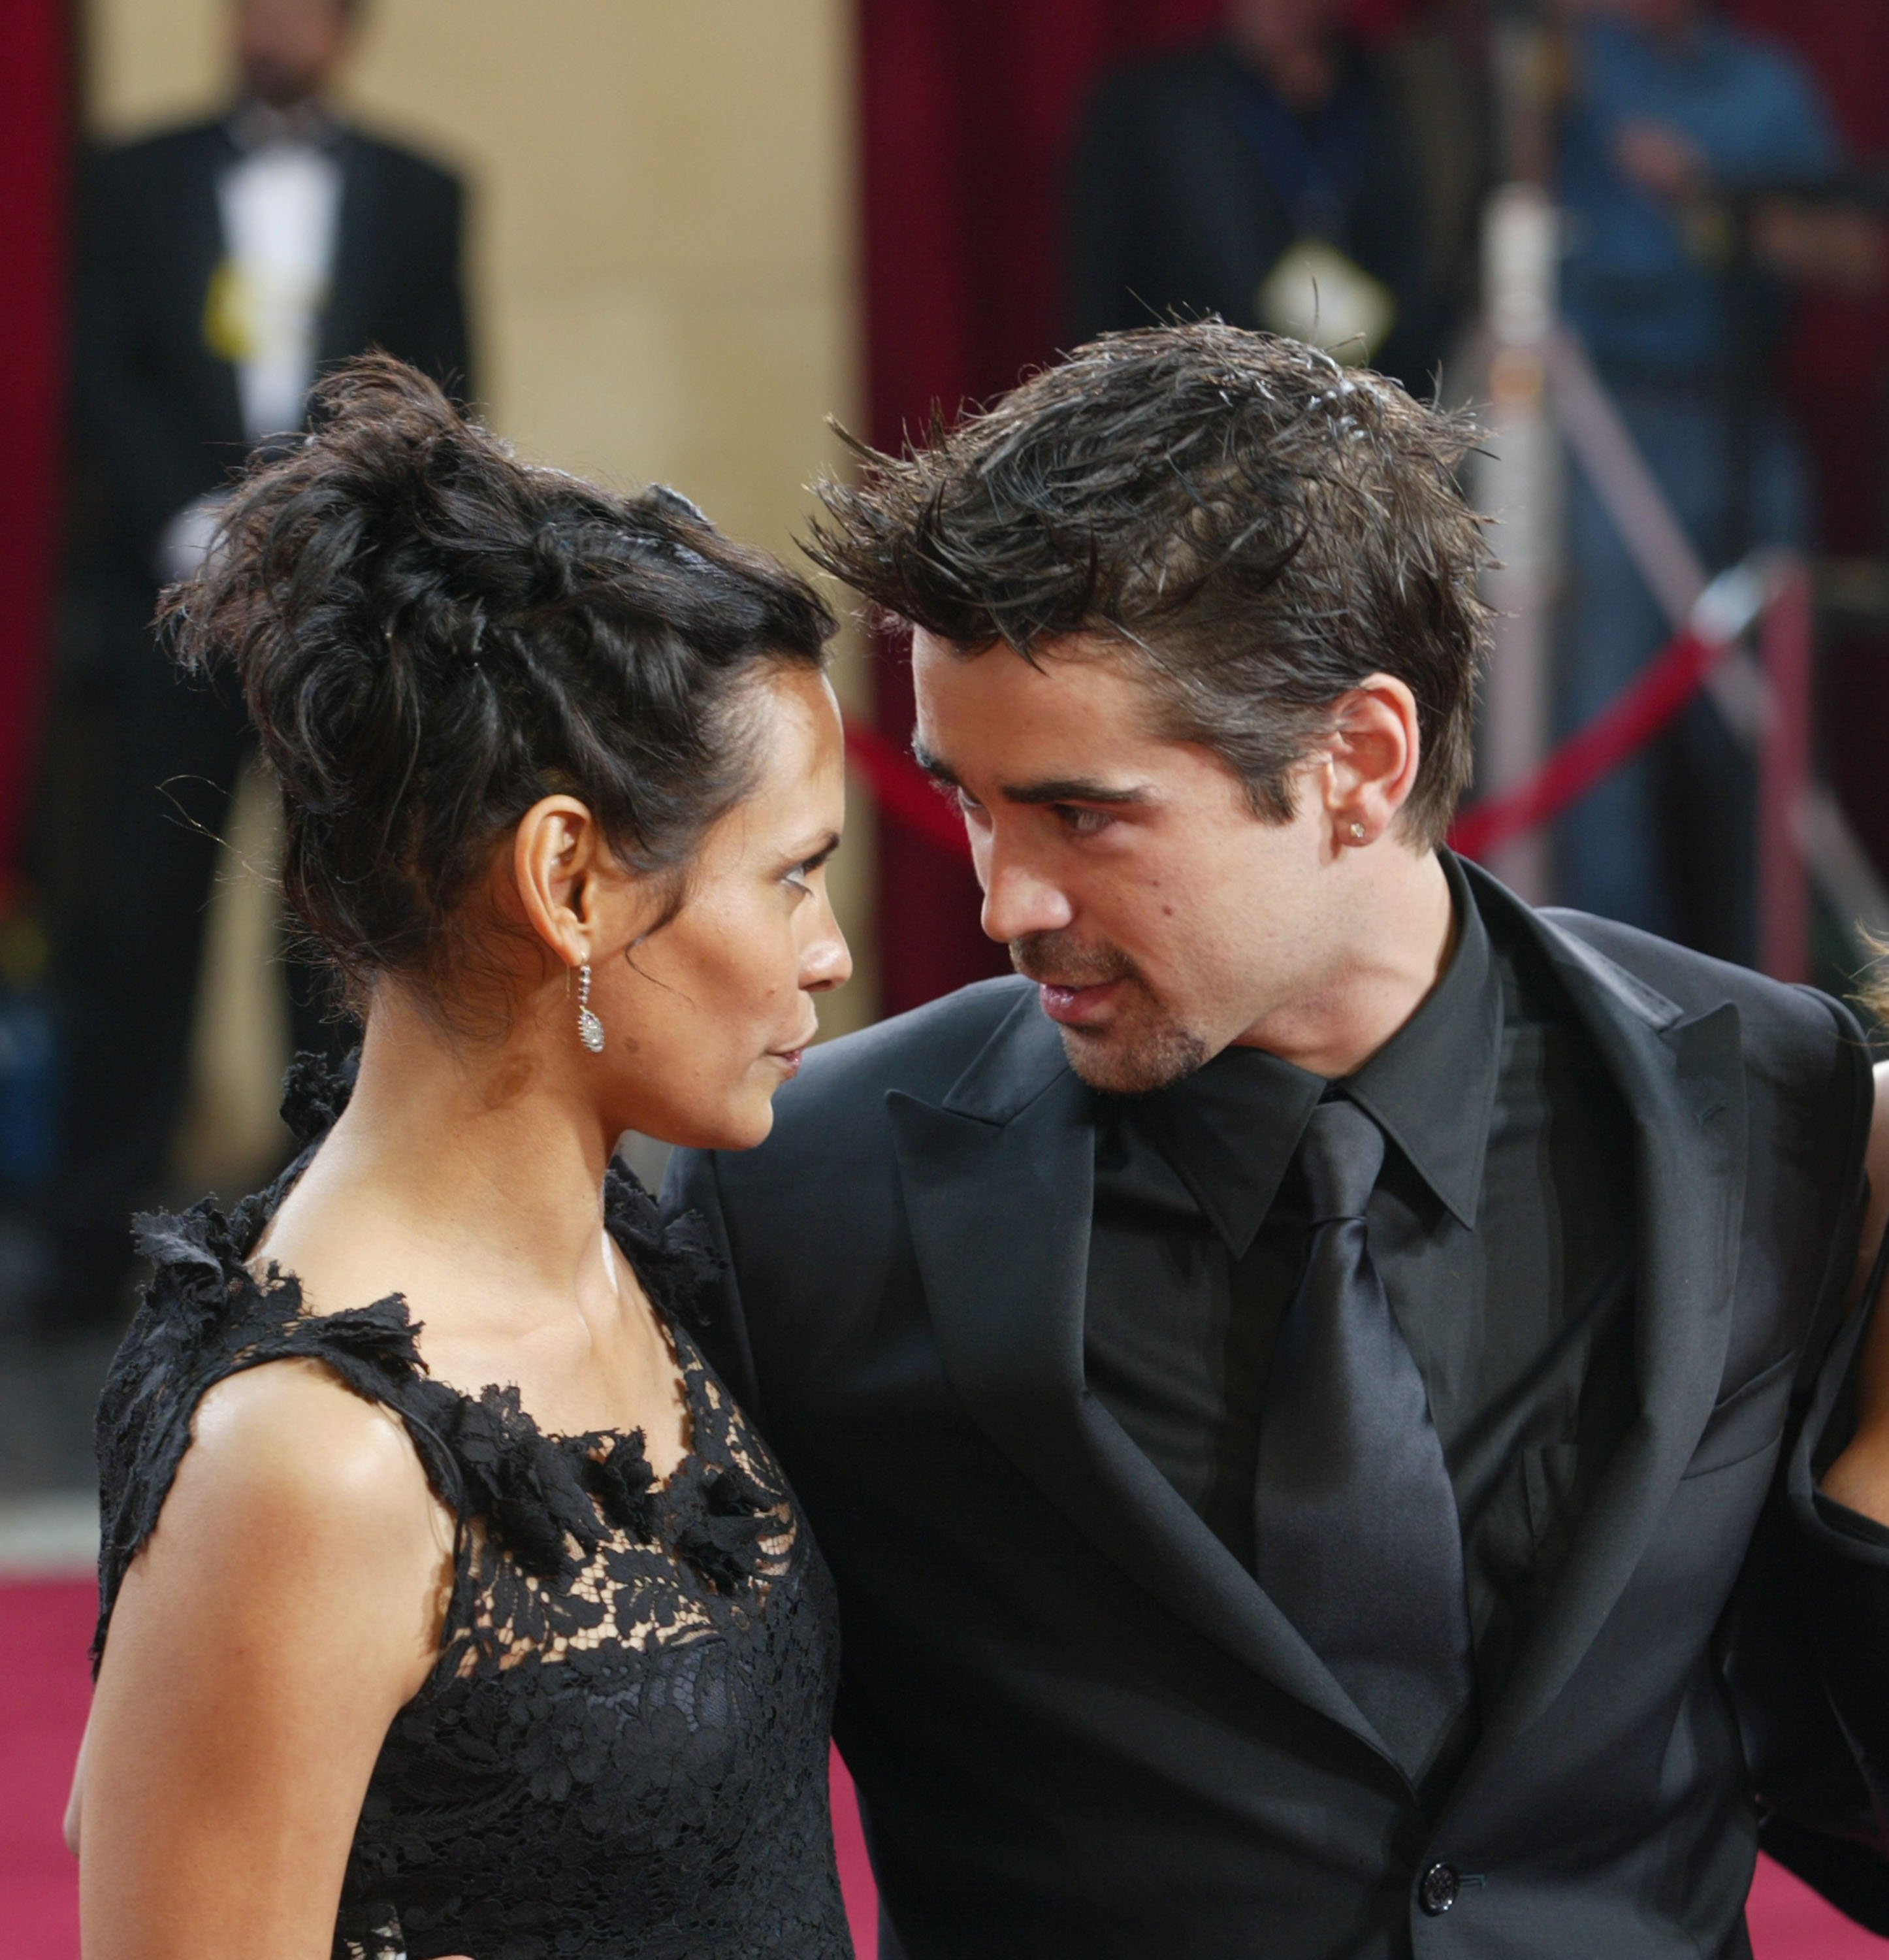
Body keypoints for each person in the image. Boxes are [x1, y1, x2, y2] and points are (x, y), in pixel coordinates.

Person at [668, 322, 1889, 1957]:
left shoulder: (1774, 1104)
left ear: (1360, 762)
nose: (1002, 900)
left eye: (1084, 814)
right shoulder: (794, 1189)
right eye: (971, 798)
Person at [70, 357, 856, 1959]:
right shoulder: (312, 1457)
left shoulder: (651, 1250)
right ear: (567, 878)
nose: (831, 951)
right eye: (790, 878)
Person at [45, 0, 471, 1332]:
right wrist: (202, 521)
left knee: (326, 930)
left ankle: (317, 1234)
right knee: (137, 925)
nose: (272, 27)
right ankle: (91, 1248)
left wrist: (325, 543)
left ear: (347, 32)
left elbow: (445, 387)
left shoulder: (421, 189)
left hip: (333, 619)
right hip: (168, 605)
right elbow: (97, 367)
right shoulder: (132, 175)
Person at [1553, 0, 1841, 964]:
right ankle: (1622, 1001)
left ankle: (1786, 999)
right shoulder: (1558, 59)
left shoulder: (1763, 81)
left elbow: (1853, 243)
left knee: (1770, 738)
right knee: (1605, 743)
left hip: (1743, 410)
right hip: (1601, 417)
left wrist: (1718, 202)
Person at [1067, 0, 1476, 396]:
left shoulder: (1407, 101)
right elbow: (1102, 319)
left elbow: (1444, 282)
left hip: (1384, 422)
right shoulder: (1148, 113)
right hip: (1197, 430)